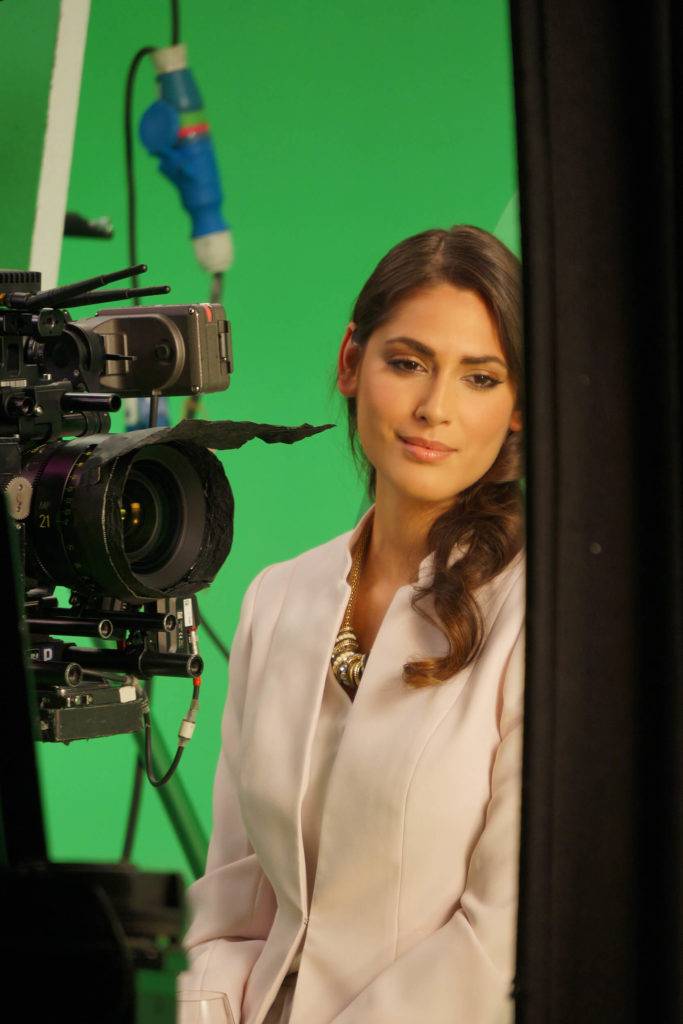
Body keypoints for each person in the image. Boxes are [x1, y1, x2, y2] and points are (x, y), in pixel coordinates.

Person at [178, 224, 526, 1024]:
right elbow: (232, 908)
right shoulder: (278, 597)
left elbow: (501, 940)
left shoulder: (538, 614)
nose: (434, 409)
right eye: (407, 363)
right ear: (349, 361)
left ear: (517, 407)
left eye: (479, 378)